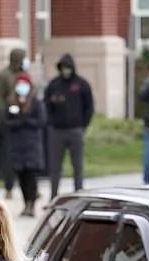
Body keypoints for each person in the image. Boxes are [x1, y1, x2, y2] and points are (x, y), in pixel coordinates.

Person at [45, 54, 95, 198]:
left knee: (77, 166)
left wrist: (82, 125)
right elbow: (47, 106)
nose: (66, 70)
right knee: (55, 167)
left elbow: (89, 107)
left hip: (75, 130)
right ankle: (53, 195)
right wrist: (51, 122)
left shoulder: (81, 84)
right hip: (57, 131)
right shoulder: (53, 85)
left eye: (68, 67)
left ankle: (78, 193)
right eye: (63, 67)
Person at [4, 74, 46, 217]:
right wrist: (19, 121)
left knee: (31, 176)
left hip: (31, 145)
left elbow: (41, 121)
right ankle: (25, 203)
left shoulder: (36, 103)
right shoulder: (12, 103)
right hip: (17, 146)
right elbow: (7, 122)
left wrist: (24, 120)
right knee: (21, 177)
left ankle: (31, 204)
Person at [0, 49, 29, 199]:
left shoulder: (23, 75)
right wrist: (3, 116)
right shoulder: (4, 76)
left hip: (23, 120)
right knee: (9, 156)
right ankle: (9, 186)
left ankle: (27, 187)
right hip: (8, 119)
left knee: (25, 156)